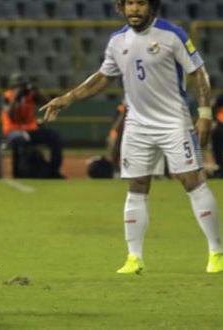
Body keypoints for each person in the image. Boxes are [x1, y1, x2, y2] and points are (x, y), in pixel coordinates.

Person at [40, 0, 223, 274]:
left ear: (151, 6)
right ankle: (134, 258)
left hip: (173, 122)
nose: (134, 9)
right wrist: (67, 98)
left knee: (192, 181)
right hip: (137, 125)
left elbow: (198, 72)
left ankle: (216, 252)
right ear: (121, 7)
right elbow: (103, 77)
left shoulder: (172, 34)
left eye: (140, 3)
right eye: (129, 3)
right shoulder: (117, 40)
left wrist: (206, 112)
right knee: (136, 186)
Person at [2, 72, 64, 178]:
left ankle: (53, 171)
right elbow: (10, 115)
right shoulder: (7, 96)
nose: (20, 89)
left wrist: (38, 92)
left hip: (31, 130)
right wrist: (16, 97)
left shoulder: (30, 95)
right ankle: (21, 173)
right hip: (13, 131)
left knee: (54, 136)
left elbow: (48, 104)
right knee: (19, 140)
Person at [210, 94, 223, 177]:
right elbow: (214, 105)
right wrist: (215, 120)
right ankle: (220, 167)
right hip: (221, 127)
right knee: (217, 147)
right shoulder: (221, 98)